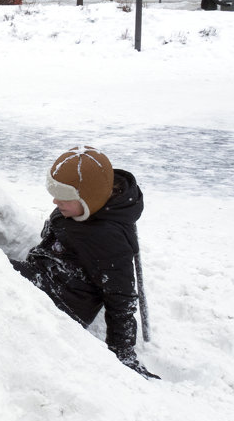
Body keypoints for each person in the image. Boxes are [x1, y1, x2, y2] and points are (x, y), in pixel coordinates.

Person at [9, 145, 158, 380]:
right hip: (48, 275)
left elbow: (122, 299)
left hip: (63, 302)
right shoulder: (82, 210)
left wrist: (123, 352)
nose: (55, 201)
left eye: (65, 197)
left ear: (90, 198)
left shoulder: (108, 237)